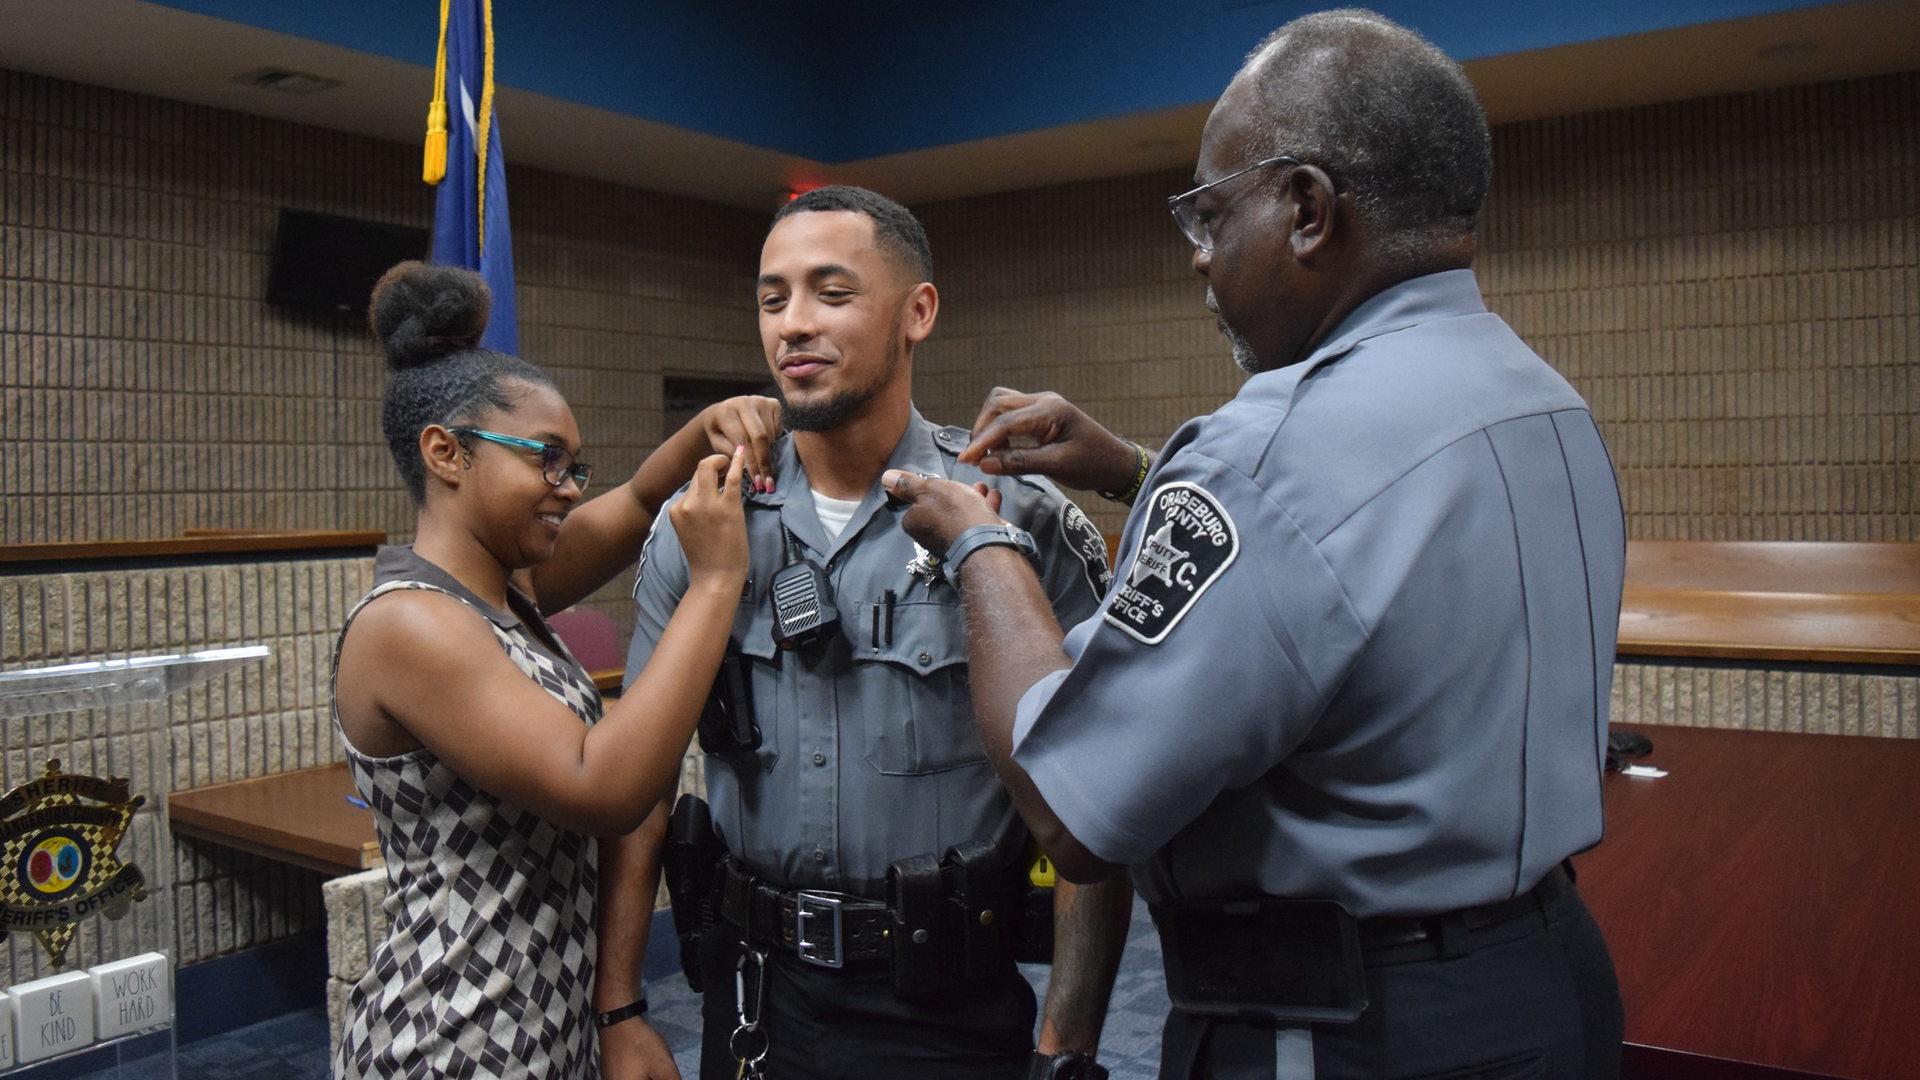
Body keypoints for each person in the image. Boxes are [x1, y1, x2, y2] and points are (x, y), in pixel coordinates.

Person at [883, 10, 1627, 1080]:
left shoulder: (1270, 452)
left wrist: (979, 547)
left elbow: (1074, 807)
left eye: (1210, 211)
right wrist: (1134, 472)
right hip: (1545, 982)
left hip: (1349, 1030)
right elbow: (1345, 577)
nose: (1196, 255)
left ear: (1310, 209)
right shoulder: (1545, 405)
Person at [619, 186, 1132, 1080]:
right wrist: (619, 1002)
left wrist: (1068, 1047)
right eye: (773, 299)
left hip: (946, 1007)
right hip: (752, 997)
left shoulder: (1017, 520)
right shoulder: (703, 523)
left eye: (832, 292)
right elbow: (639, 787)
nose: (794, 325)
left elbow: (1098, 802)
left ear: (917, 312)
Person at [331, 261, 778, 1080]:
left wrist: (707, 429)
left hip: (546, 1018)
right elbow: (602, 786)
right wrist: (716, 582)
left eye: (575, 467)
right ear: (446, 454)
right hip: (456, 1036)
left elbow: (643, 500)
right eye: (546, 460)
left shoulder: (505, 592)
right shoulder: (410, 624)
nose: (568, 489)